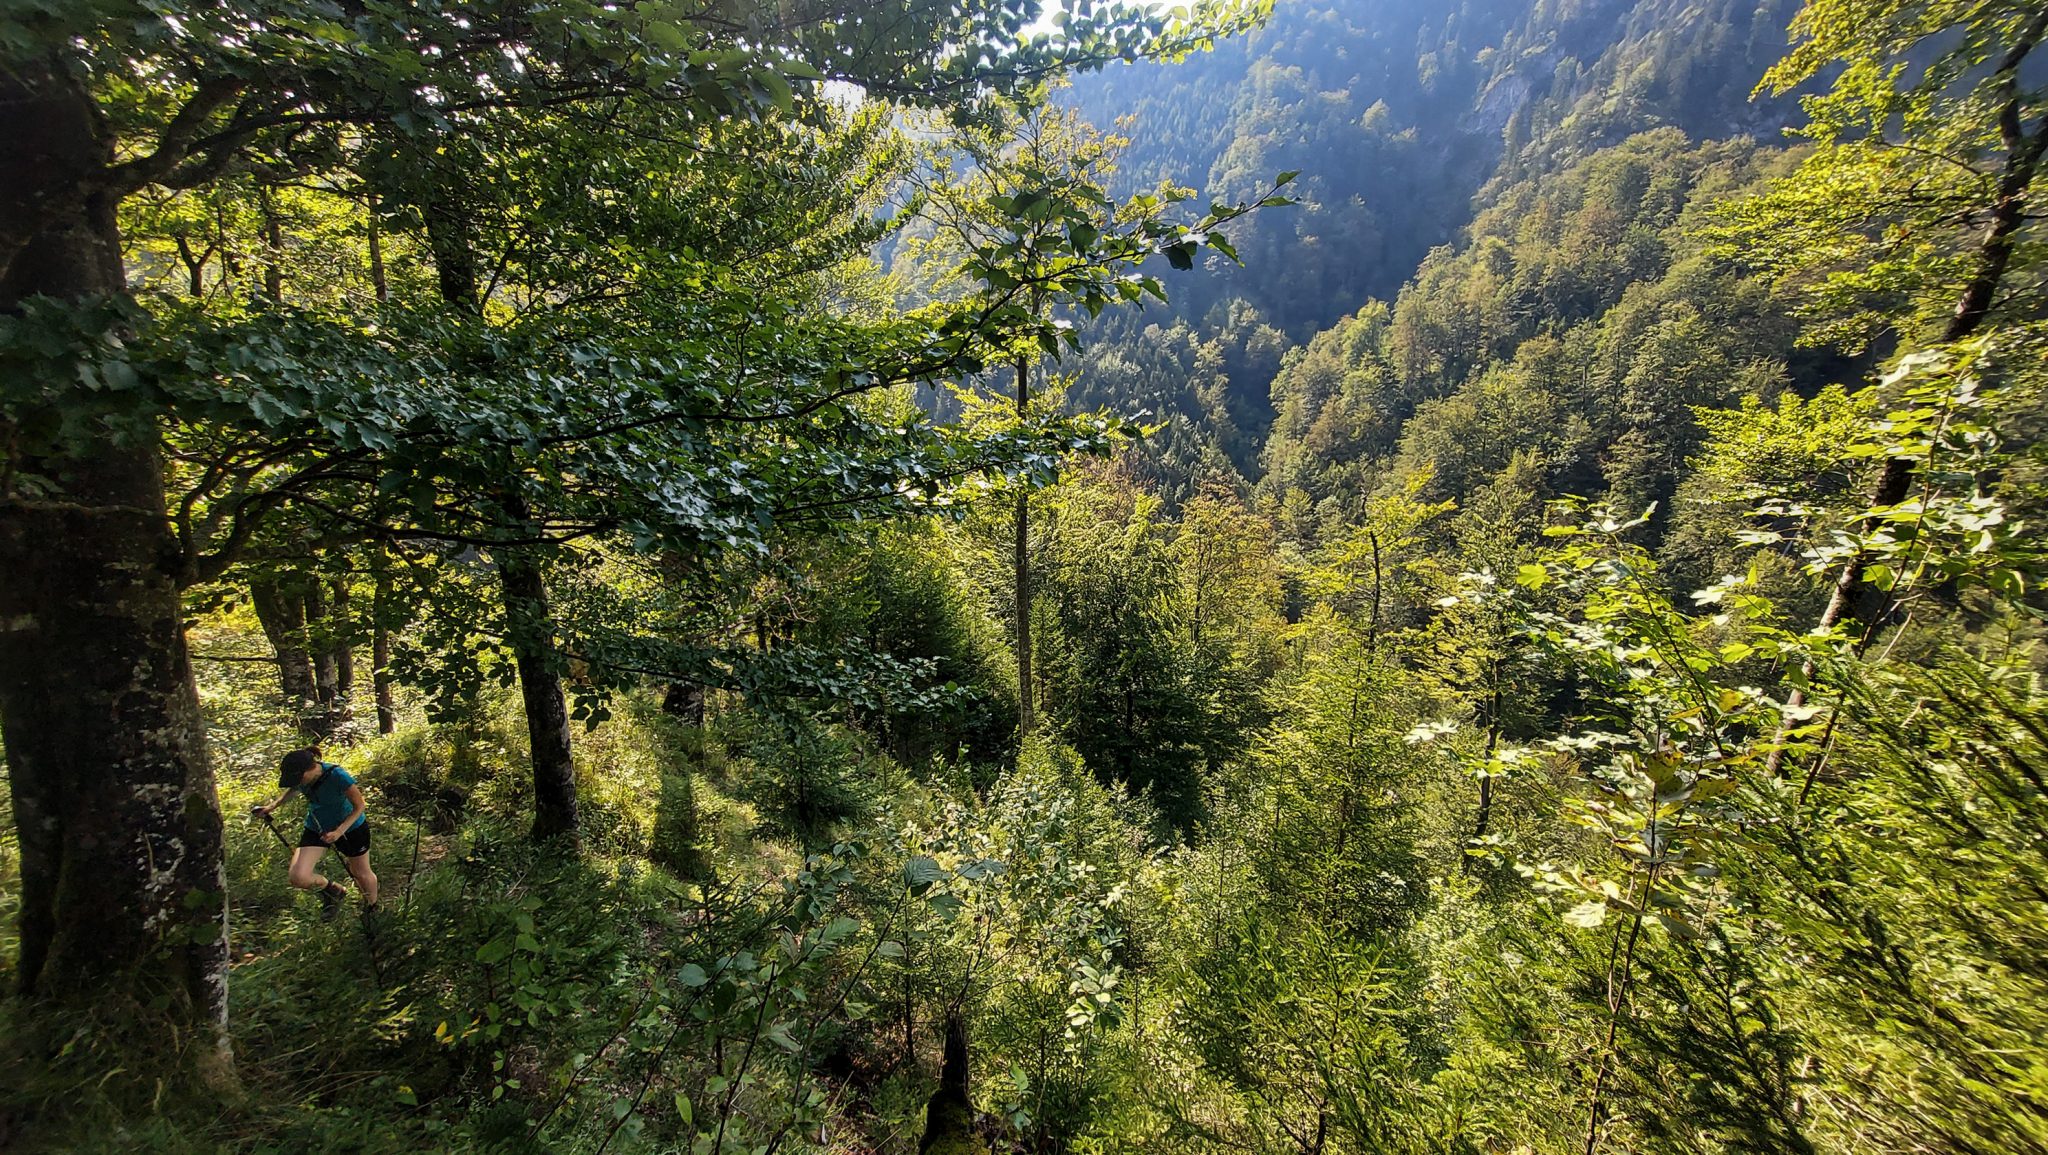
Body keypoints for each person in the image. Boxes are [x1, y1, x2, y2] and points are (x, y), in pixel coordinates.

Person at [254, 747, 379, 920]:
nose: (297, 782)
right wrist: (271, 807)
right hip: (317, 827)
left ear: (311, 769)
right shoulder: (302, 780)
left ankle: (372, 910)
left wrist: (339, 831)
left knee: (360, 872)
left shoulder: (338, 776)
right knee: (298, 877)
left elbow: (360, 806)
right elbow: (294, 789)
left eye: (299, 778)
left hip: (351, 828)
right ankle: (334, 891)